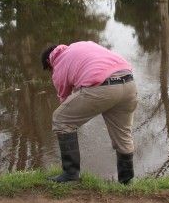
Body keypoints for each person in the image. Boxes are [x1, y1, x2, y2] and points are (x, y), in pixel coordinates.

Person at [41, 41, 138, 184]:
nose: (52, 73)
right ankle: (126, 183)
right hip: (129, 83)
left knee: (61, 120)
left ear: (50, 62)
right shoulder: (83, 45)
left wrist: (73, 120)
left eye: (50, 70)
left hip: (103, 87)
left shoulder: (59, 64)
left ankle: (70, 176)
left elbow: (65, 99)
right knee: (123, 135)